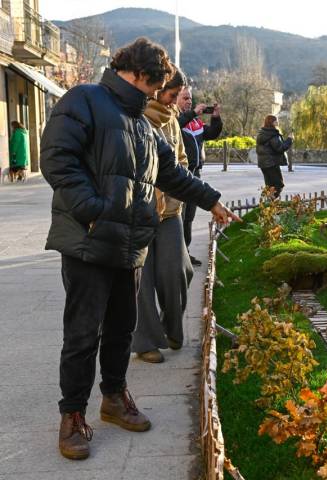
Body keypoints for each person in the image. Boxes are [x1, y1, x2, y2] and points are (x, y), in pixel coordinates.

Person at [40, 37, 239, 461]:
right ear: (138, 75)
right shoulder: (85, 100)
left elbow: (173, 175)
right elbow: (57, 158)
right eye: (154, 86)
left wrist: (213, 201)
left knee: (121, 329)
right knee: (82, 334)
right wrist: (93, 211)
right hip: (89, 241)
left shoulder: (143, 125)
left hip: (129, 245)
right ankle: (72, 416)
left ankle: (113, 398)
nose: (157, 95)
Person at [132, 66, 193, 364]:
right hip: (140, 213)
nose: (173, 101)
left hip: (170, 211)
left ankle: (171, 327)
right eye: (171, 94)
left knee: (179, 272)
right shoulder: (135, 116)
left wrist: (178, 184)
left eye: (176, 96)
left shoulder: (171, 121)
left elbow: (181, 159)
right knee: (141, 282)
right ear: (157, 89)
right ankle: (145, 342)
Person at [177, 86, 223, 265]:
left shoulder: (195, 123)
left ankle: (185, 252)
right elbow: (176, 123)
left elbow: (211, 133)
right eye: (185, 98)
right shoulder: (174, 118)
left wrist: (216, 117)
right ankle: (177, 255)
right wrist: (192, 114)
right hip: (180, 174)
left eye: (190, 98)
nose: (189, 101)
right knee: (179, 217)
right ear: (175, 99)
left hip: (195, 173)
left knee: (189, 217)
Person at [256, 114, 293, 197]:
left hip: (264, 164)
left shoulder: (263, 132)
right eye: (275, 120)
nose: (277, 122)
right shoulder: (272, 134)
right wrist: (289, 139)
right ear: (271, 122)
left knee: (269, 186)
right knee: (278, 185)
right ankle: (269, 203)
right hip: (271, 163)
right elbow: (279, 148)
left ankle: (265, 204)